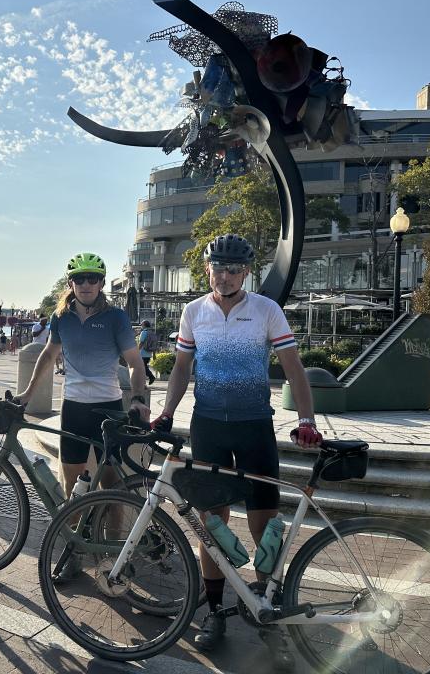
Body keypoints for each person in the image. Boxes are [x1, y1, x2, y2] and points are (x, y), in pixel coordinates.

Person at [150, 234, 321, 664]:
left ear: (246, 272)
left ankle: (267, 614)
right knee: (211, 526)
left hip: (254, 429)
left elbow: (293, 369)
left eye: (233, 270)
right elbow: (181, 369)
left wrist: (306, 421)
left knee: (266, 524)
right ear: (206, 268)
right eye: (217, 269)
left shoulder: (266, 310)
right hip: (208, 426)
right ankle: (215, 613)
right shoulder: (193, 312)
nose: (224, 277)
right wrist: (167, 412)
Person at [17, 252, 150, 501]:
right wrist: (27, 393)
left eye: (92, 278)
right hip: (73, 408)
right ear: (71, 284)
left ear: (101, 283)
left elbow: (134, 362)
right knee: (72, 486)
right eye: (80, 279)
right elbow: (48, 356)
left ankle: (113, 538)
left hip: (108, 408)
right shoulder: (60, 317)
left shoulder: (116, 318)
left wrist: (138, 398)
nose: (86, 284)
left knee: (112, 490)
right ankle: (77, 538)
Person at [137, 320, 157, 385]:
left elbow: (141, 343)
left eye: (142, 325)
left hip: (142, 353)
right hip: (149, 354)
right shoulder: (152, 333)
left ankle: (151, 377)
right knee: (143, 367)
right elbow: (154, 345)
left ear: (144, 325)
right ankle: (144, 381)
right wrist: (154, 354)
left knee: (142, 367)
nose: (141, 326)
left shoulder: (144, 332)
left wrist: (136, 351)